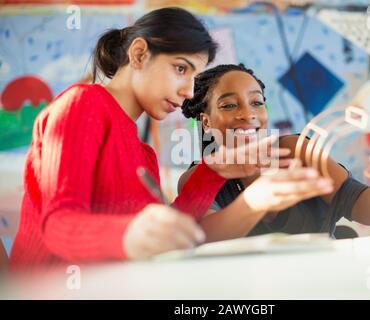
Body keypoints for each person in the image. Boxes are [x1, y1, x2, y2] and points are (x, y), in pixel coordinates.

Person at [9, 8, 287, 270]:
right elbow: (58, 226)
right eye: (181, 69)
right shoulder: (81, 104)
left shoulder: (144, 154)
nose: (189, 92)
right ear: (139, 54)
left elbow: (168, 231)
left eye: (195, 77)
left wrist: (214, 171)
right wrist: (128, 235)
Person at [179, 64, 370, 242]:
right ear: (206, 122)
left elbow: (366, 210)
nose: (248, 114)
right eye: (230, 105)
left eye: (257, 103)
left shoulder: (296, 151)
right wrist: (258, 201)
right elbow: (206, 239)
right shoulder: (196, 179)